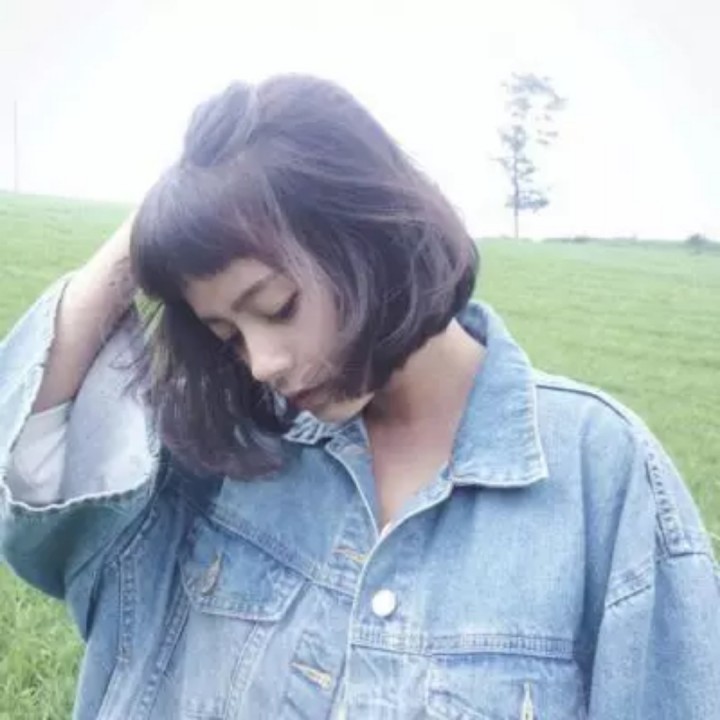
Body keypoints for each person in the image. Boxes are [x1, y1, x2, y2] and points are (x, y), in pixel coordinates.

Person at [1, 74, 718, 720]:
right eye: (228, 336)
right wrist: (176, 207)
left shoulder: (602, 473)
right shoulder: (219, 448)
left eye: (277, 306)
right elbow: (30, 450)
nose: (262, 364)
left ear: (369, 230)